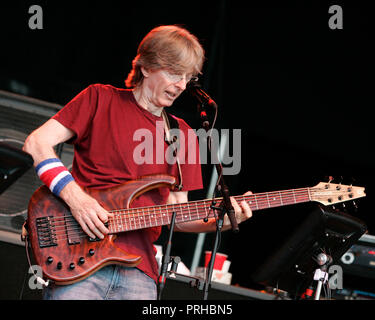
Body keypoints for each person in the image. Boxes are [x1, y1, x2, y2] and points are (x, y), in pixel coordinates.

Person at [23, 25, 252, 300]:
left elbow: (176, 215)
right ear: (146, 67)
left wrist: (224, 220)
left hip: (139, 270)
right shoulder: (100, 98)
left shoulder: (183, 135)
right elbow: (37, 143)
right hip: (79, 257)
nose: (181, 85)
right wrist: (78, 201)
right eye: (173, 73)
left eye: (187, 78)